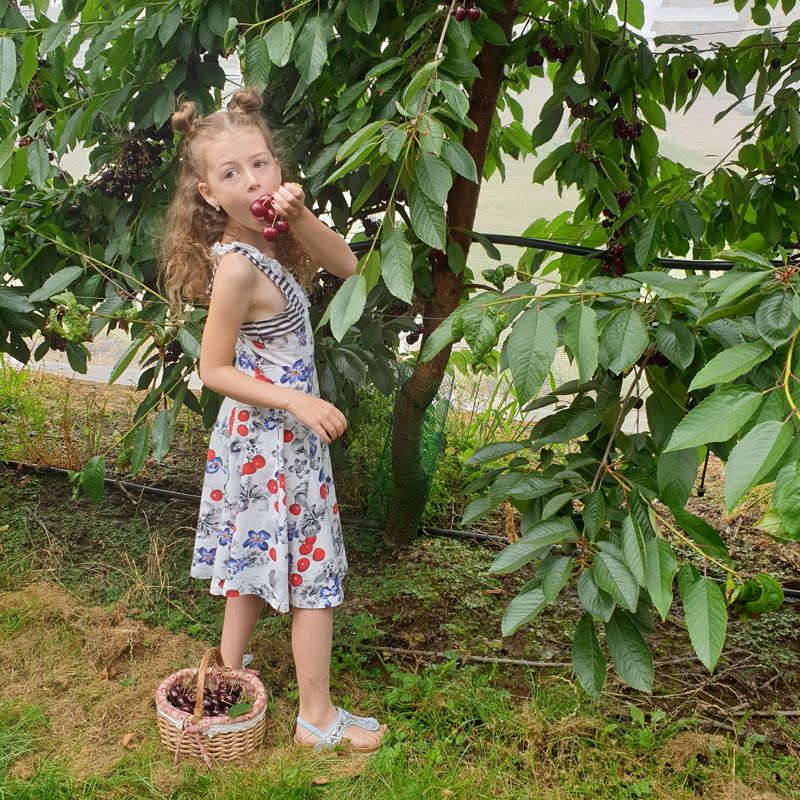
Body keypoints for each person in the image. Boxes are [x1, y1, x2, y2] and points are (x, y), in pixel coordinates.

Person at [157, 87, 387, 754]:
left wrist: (302, 215)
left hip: (271, 442)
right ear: (207, 194)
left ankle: (227, 672)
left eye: (261, 164)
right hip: (272, 437)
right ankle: (316, 718)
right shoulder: (235, 268)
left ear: (278, 168)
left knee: (255, 558)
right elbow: (213, 370)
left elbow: (347, 265)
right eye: (231, 173)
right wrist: (296, 400)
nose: (252, 180)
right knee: (313, 579)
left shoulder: (274, 239)